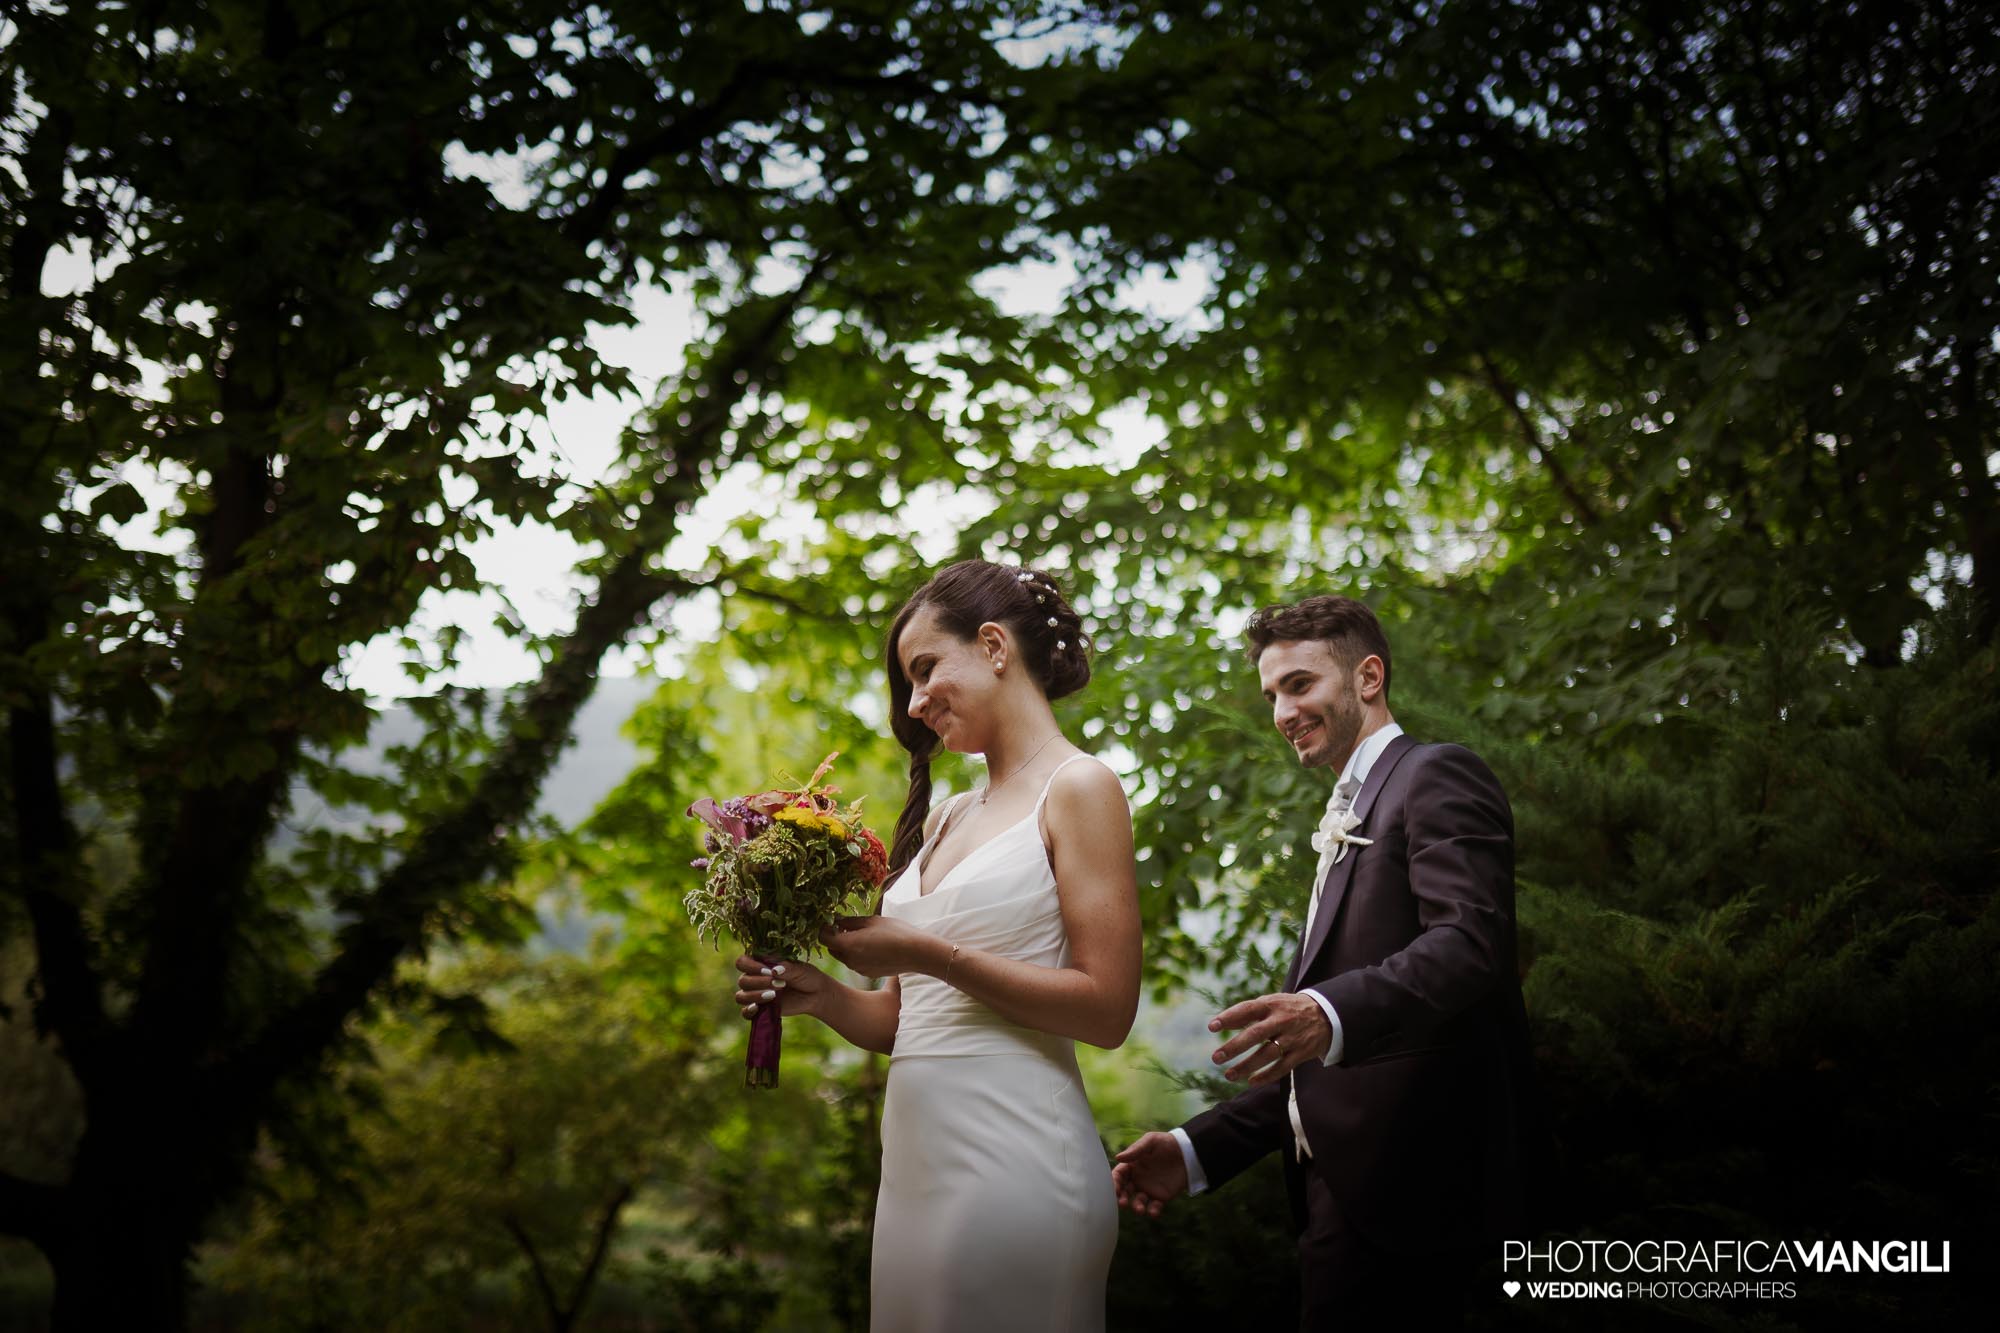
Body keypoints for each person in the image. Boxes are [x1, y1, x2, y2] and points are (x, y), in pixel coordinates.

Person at [732, 559, 1140, 1332]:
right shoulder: (949, 816)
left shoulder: (1081, 788)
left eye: (924, 671)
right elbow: (907, 1021)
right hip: (917, 1168)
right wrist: (820, 997)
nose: (916, 705)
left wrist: (924, 953)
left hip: (1017, 1158)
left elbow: (1108, 1009)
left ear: (993, 645)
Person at [1111, 595, 1533, 1328]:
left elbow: (1472, 943)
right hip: (1339, 1203)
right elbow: (1326, 1054)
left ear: (1369, 677)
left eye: (1300, 684)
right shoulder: (1351, 806)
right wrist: (1194, 1148)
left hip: (1423, 1200)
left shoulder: (1433, 774)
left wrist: (1324, 1009)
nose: (1282, 710)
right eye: (1272, 693)